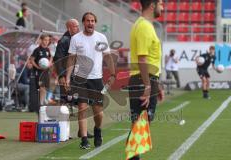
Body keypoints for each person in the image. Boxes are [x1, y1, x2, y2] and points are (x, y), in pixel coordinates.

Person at [66, 12, 115, 149]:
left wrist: (112, 74)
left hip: (96, 79)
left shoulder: (101, 37)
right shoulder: (76, 38)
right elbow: (71, 58)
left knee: (98, 112)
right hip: (80, 79)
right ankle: (84, 139)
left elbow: (107, 57)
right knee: (82, 108)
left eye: (93, 21)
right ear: (83, 23)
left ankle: (97, 130)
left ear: (95, 23)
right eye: (88, 21)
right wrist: (68, 77)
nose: (90, 23)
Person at [126, 0, 164, 160]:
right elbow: (142, 59)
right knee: (140, 125)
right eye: (161, 3)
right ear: (152, 5)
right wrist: (148, 86)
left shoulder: (143, 25)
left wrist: (156, 84)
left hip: (146, 80)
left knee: (140, 125)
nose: (163, 7)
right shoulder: (144, 26)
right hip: (143, 81)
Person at [54, 19, 79, 103]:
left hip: (76, 73)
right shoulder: (64, 40)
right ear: (69, 28)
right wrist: (61, 76)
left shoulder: (76, 39)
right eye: (75, 26)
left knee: (76, 99)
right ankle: (64, 114)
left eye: (78, 26)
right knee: (66, 99)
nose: (78, 28)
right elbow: (58, 58)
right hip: (66, 74)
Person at [30, 34, 52, 106]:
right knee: (41, 86)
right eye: (45, 40)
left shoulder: (48, 49)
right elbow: (32, 60)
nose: (46, 42)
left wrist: (49, 63)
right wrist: (37, 67)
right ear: (41, 40)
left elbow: (51, 57)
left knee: (45, 87)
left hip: (46, 71)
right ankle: (41, 102)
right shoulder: (37, 50)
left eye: (48, 40)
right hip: (39, 71)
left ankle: (43, 100)